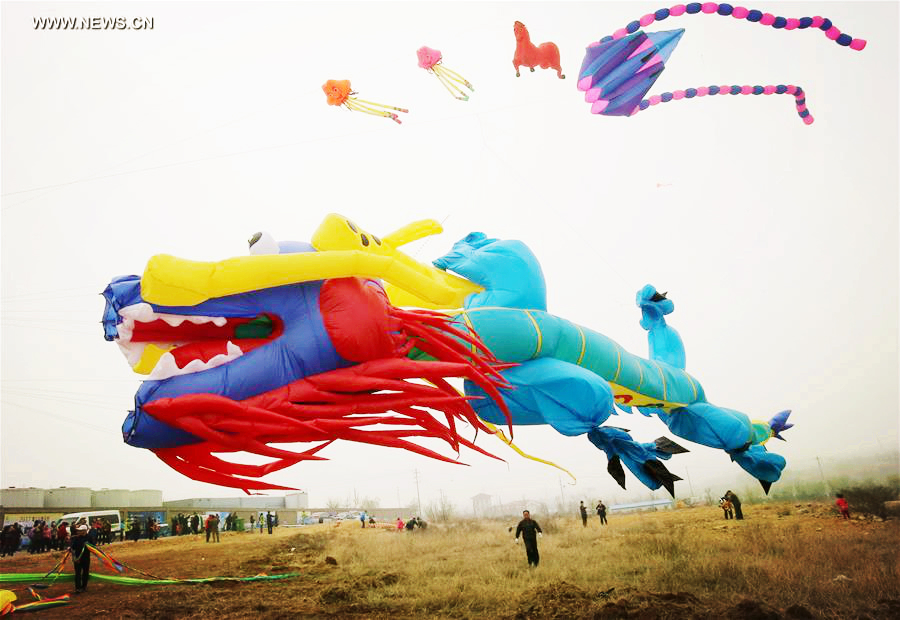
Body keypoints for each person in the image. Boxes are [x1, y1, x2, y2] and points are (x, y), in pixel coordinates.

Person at [70, 523, 92, 593]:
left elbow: (93, 547)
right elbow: (72, 548)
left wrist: (88, 545)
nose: (78, 532)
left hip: (86, 559)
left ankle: (84, 587)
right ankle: (78, 588)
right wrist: (74, 558)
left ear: (85, 531)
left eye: (80, 530)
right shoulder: (76, 538)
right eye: (78, 530)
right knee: (78, 574)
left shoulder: (89, 538)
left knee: (85, 573)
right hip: (78, 559)